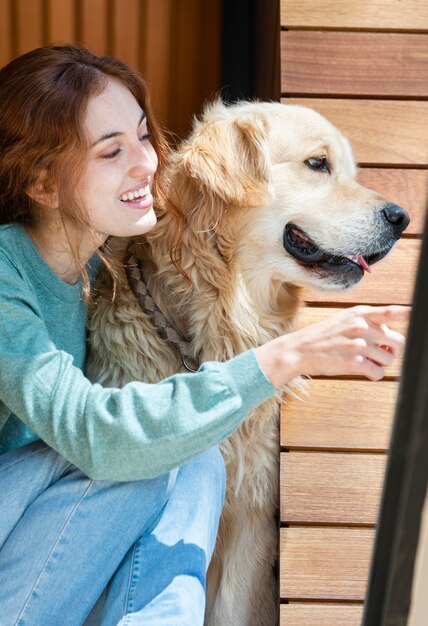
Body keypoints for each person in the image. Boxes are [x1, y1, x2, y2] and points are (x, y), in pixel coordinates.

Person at [0, 44, 409, 626]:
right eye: (112, 151)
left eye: (143, 136)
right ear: (43, 183)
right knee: (152, 447)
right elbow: (97, 435)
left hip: (46, 552)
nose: (148, 164)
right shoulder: (3, 278)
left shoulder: (101, 267)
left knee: (192, 456)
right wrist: (283, 355)